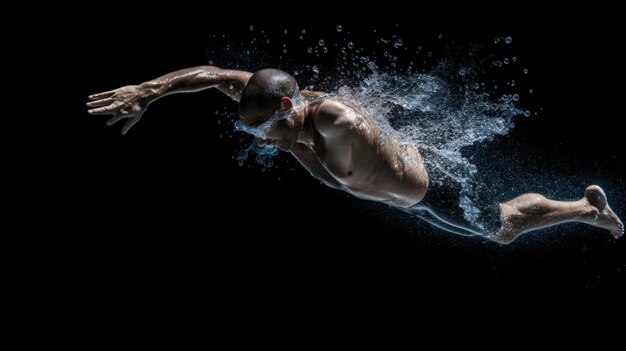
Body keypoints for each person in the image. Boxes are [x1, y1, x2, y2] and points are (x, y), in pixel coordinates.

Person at [86, 66, 623, 244]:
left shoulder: (337, 121)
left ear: (289, 103)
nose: (260, 136)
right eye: (250, 128)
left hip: (431, 186)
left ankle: (585, 210)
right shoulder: (275, 106)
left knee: (502, 228)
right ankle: (585, 210)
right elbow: (207, 75)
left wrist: (293, 144)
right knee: (499, 230)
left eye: (269, 124)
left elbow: (332, 178)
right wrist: (148, 92)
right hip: (400, 194)